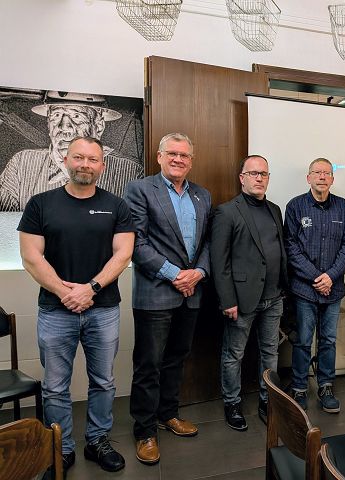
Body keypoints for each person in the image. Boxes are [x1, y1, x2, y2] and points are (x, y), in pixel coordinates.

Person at [18, 136, 135, 473]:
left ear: (102, 165)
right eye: (79, 157)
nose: (85, 164)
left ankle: (97, 441)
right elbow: (31, 257)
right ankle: (61, 448)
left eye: (93, 159)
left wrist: (91, 288)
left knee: (104, 381)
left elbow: (123, 254)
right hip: (56, 311)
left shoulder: (117, 206)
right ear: (66, 160)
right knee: (55, 387)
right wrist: (66, 293)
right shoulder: (40, 204)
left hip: (104, 309)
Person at [124, 133, 211, 465]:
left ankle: (168, 414)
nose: (178, 159)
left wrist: (198, 272)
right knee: (149, 365)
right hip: (156, 292)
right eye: (172, 153)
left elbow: (207, 242)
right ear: (159, 157)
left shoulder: (202, 194)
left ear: (191, 160)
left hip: (191, 293)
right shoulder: (140, 190)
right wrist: (176, 275)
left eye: (184, 155)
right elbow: (137, 243)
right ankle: (145, 431)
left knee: (177, 358)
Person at [211, 155, 287, 431]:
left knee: (270, 353)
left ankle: (268, 401)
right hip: (241, 300)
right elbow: (219, 261)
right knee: (234, 354)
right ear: (242, 178)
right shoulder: (227, 212)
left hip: (274, 297)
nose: (259, 178)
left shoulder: (275, 209)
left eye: (263, 174)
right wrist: (227, 300)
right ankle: (232, 403)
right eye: (253, 173)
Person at [284, 158, 345, 413]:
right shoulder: (295, 206)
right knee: (303, 340)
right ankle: (299, 387)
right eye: (317, 172)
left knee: (329, 340)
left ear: (332, 179)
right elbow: (291, 247)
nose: (322, 177)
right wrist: (317, 278)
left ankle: (326, 386)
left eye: (327, 173)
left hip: (333, 289)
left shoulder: (344, 207)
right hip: (304, 289)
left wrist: (330, 277)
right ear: (308, 178)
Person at [0, 91, 143, 211]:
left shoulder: (131, 172)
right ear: (48, 124)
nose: (64, 127)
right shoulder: (21, 164)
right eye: (56, 115)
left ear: (98, 126)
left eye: (76, 116)